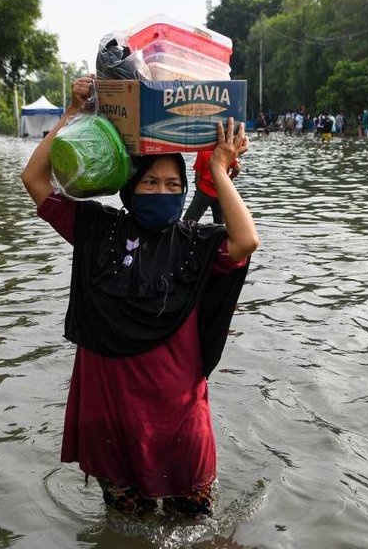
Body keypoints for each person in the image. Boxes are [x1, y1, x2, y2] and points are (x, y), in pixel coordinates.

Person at [21, 75, 257, 518]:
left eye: (173, 186)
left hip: (178, 414)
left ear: (186, 191)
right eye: (151, 184)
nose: (163, 193)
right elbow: (34, 178)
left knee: (196, 521)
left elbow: (246, 240)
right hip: (114, 414)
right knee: (125, 523)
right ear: (130, 190)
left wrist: (220, 172)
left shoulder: (194, 242)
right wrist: (72, 116)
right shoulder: (97, 229)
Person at [183, 150, 238, 223]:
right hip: (220, 192)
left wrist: (198, 189)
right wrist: (227, 180)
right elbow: (237, 169)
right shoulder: (227, 151)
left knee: (188, 222)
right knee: (220, 225)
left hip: (204, 191)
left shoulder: (203, 151)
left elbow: (198, 175)